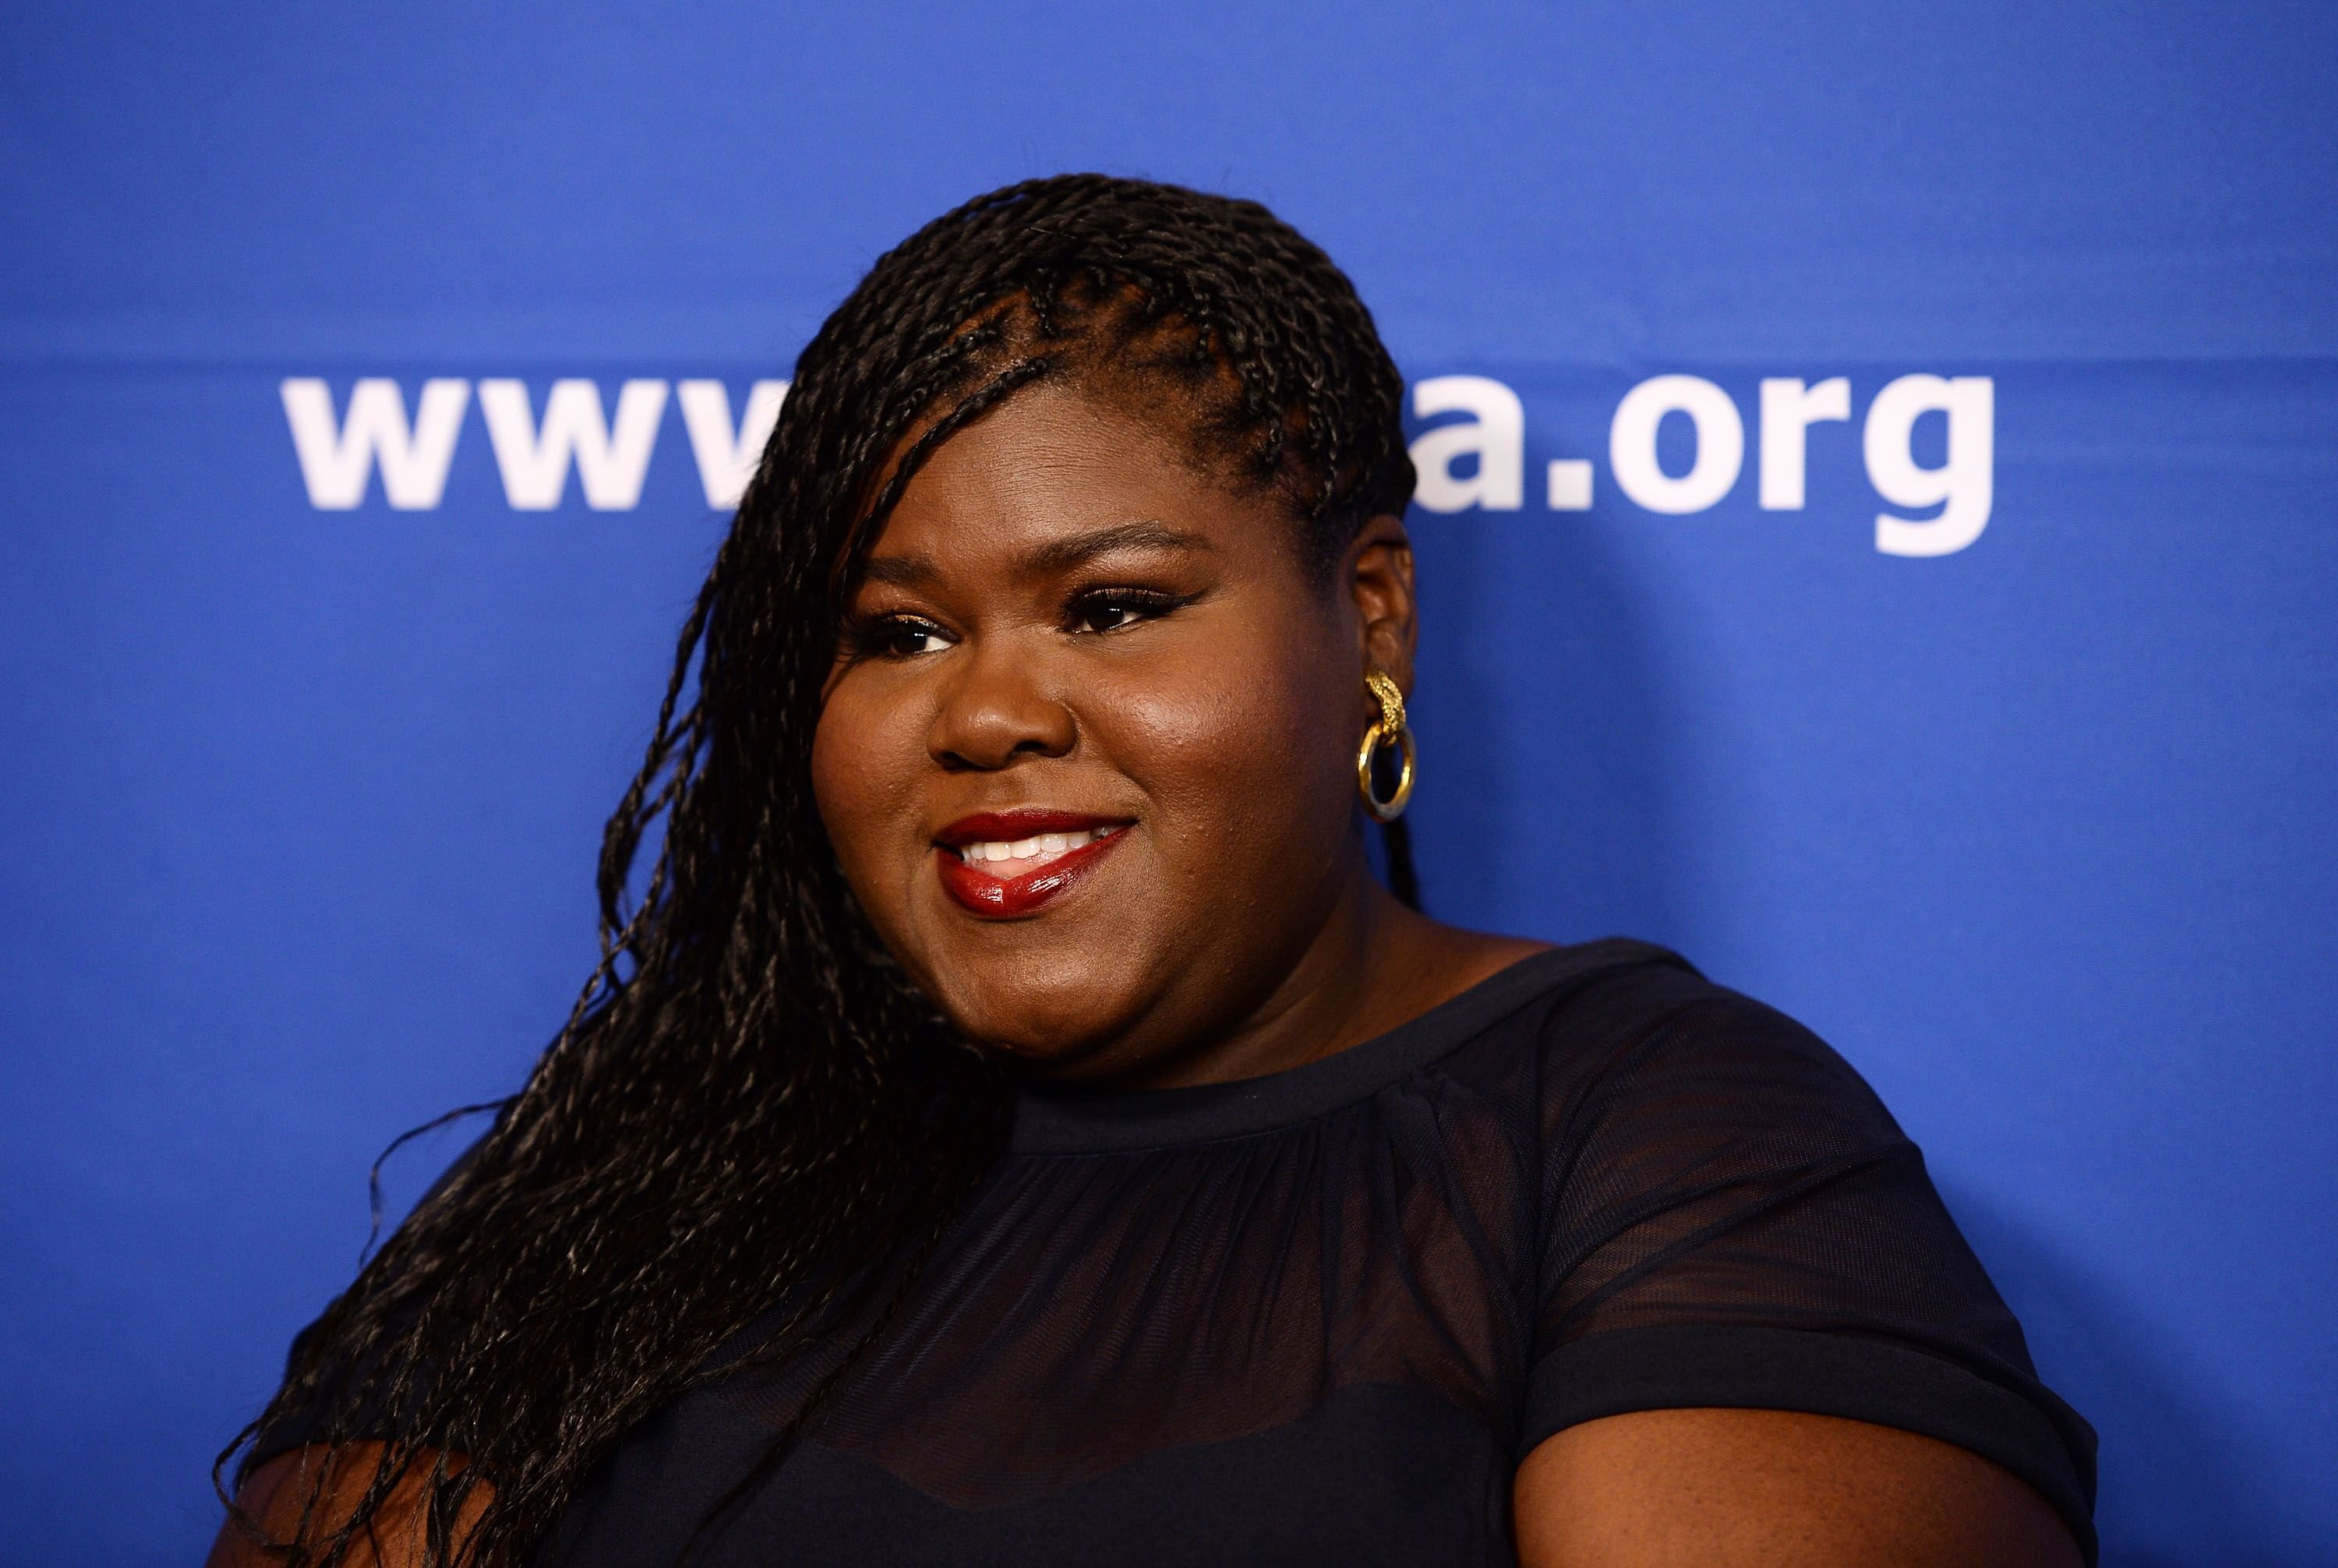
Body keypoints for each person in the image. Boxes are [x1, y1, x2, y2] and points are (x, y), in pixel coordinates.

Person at [210, 175, 2094, 1568]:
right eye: (895, 634)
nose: (987, 715)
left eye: (1112, 606)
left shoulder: (1649, 1126)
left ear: (1370, 617)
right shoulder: (633, 1167)